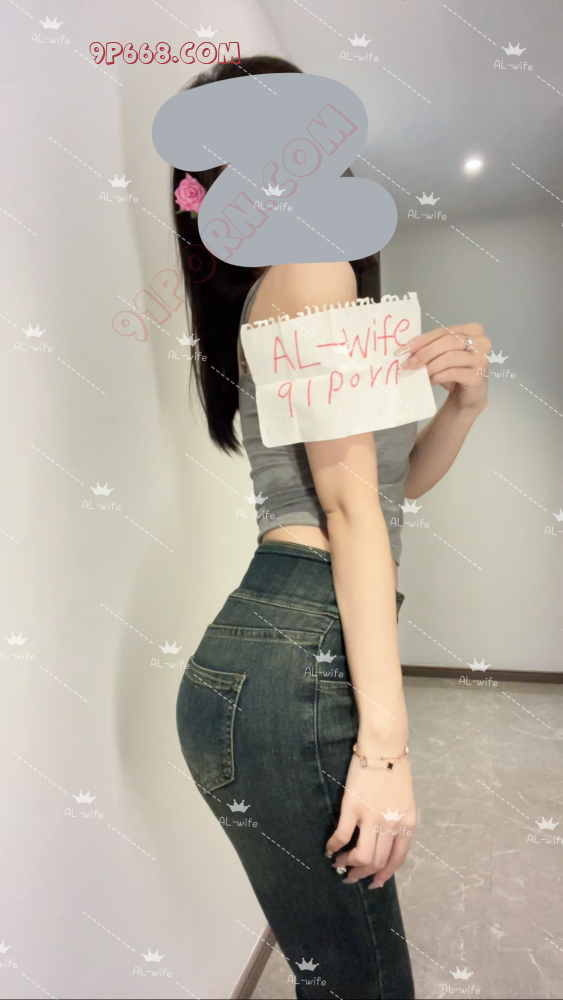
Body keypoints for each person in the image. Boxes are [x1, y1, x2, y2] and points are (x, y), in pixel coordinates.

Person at [173, 55, 490, 1000]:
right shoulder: (310, 268)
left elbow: (389, 490)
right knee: (363, 982)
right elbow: (348, 511)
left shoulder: (304, 280)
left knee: (344, 974)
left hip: (280, 641)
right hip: (298, 646)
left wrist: (463, 408)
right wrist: (386, 749)